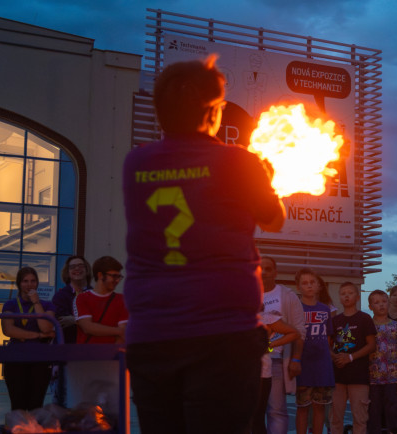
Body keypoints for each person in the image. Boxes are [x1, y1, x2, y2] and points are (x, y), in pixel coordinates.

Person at [122, 55, 285, 433]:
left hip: (152, 335)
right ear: (212, 111)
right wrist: (264, 177)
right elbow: (274, 218)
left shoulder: (136, 164)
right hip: (222, 336)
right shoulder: (239, 163)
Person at [1, 267, 56, 411]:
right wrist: (37, 336)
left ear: (37, 283)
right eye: (25, 281)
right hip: (15, 358)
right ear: (19, 284)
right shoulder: (10, 304)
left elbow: (46, 327)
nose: (29, 285)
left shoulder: (46, 305)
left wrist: (36, 303)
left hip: (40, 359)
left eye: (33, 281)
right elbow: (8, 330)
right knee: (18, 404)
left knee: (36, 405)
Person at [261, 256, 305, 434]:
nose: (263, 272)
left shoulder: (287, 296)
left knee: (276, 410)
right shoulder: (247, 295)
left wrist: (296, 358)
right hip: (250, 364)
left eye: (268, 268)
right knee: (250, 411)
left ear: (275, 272)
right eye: (259, 268)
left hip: (277, 360)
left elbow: (299, 331)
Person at [330, 282, 376, 434]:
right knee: (335, 417)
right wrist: (335, 357)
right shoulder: (335, 320)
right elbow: (327, 345)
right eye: (343, 293)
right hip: (338, 376)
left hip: (359, 376)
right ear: (340, 297)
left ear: (357, 297)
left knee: (360, 418)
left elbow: (371, 345)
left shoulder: (365, 318)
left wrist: (350, 357)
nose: (346, 296)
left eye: (350, 293)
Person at [294, 268, 335, 434]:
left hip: (322, 366)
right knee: (302, 407)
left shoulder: (325, 309)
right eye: (305, 283)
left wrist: (327, 356)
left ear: (319, 286)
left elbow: (329, 337)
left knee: (320, 407)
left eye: (312, 282)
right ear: (299, 287)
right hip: (303, 365)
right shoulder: (296, 308)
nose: (309, 286)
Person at [253, 308, 301, 434]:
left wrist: (269, 345)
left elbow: (294, 333)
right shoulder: (236, 316)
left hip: (262, 372)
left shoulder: (267, 318)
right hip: (239, 373)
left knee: (257, 418)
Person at [368, 290, 397, 434]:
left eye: (384, 301)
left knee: (393, 414)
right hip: (372, 379)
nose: (381, 305)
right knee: (373, 414)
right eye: (376, 302)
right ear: (370, 306)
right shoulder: (368, 326)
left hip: (393, 378)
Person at [74, 256, 128, 344]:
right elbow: (87, 327)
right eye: (114, 276)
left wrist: (113, 355)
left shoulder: (123, 300)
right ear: (100, 275)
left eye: (119, 277)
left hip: (112, 355)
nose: (117, 280)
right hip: (85, 355)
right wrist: (118, 331)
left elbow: (123, 334)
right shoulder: (81, 298)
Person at [52, 256, 92, 344]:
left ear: (87, 269)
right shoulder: (60, 296)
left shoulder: (94, 294)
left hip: (90, 346)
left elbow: (99, 319)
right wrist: (86, 321)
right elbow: (62, 321)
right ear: (68, 272)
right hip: (66, 346)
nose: (77, 269)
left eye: (80, 266)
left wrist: (74, 320)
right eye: (72, 267)